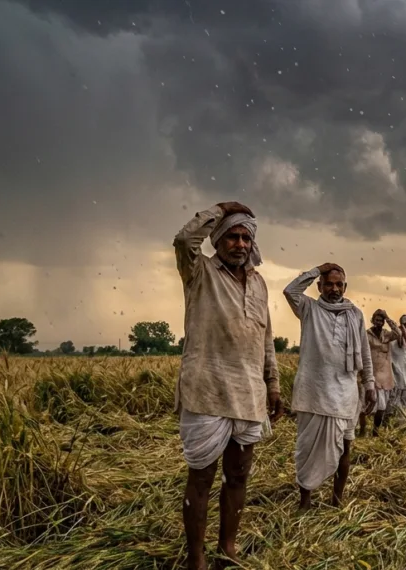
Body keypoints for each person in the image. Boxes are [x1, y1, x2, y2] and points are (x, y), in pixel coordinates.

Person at [172, 202, 283, 570]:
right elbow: (184, 239)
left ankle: (228, 547)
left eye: (246, 237)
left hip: (249, 392)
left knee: (238, 475)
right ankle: (197, 558)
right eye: (232, 236)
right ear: (218, 240)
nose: (240, 243)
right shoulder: (200, 272)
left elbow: (265, 338)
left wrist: (274, 384)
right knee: (201, 477)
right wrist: (218, 210)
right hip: (207, 390)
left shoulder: (259, 283)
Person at [283, 263, 376, 511]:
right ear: (319, 286)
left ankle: (337, 501)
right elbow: (290, 291)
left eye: (339, 284)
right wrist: (315, 269)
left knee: (345, 447)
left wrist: (369, 384)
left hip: (346, 393)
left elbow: (365, 353)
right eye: (329, 284)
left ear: (345, 286)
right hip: (312, 393)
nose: (334, 289)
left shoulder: (355, 314)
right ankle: (305, 502)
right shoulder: (309, 308)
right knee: (306, 449)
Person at [361, 309, 401, 437]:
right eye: (377, 320)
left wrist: (387, 317)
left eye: (381, 321)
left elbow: (399, 334)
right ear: (372, 321)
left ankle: (375, 431)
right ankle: (362, 429)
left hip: (384, 375)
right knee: (364, 404)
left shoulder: (386, 334)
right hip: (370, 373)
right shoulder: (366, 335)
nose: (379, 323)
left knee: (381, 406)